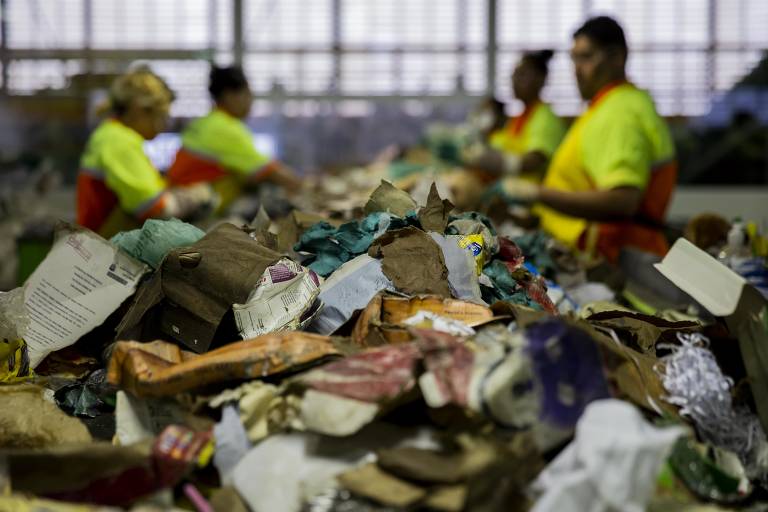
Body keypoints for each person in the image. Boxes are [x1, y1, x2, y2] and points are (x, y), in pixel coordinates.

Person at [500, 16, 677, 262]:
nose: (577, 70)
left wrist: (536, 193)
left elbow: (622, 201)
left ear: (617, 57)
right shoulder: (603, 107)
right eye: (574, 58)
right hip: (585, 250)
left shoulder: (620, 112)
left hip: (611, 259)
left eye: (586, 57)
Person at [76, 67, 216, 238]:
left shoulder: (110, 134)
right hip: (103, 253)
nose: (164, 125)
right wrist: (195, 196)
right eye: (162, 116)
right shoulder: (119, 141)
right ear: (138, 109)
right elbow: (156, 208)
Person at [167, 65, 301, 212]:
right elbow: (271, 172)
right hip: (193, 211)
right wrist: (303, 185)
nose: (250, 102)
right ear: (229, 96)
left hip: (180, 203)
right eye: (247, 95)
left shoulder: (206, 122)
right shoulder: (225, 128)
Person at [468, 51, 565, 183]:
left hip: (531, 197)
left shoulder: (545, 119)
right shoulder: (519, 118)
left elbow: (534, 161)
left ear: (541, 80)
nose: (514, 81)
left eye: (522, 75)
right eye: (514, 75)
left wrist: (498, 162)